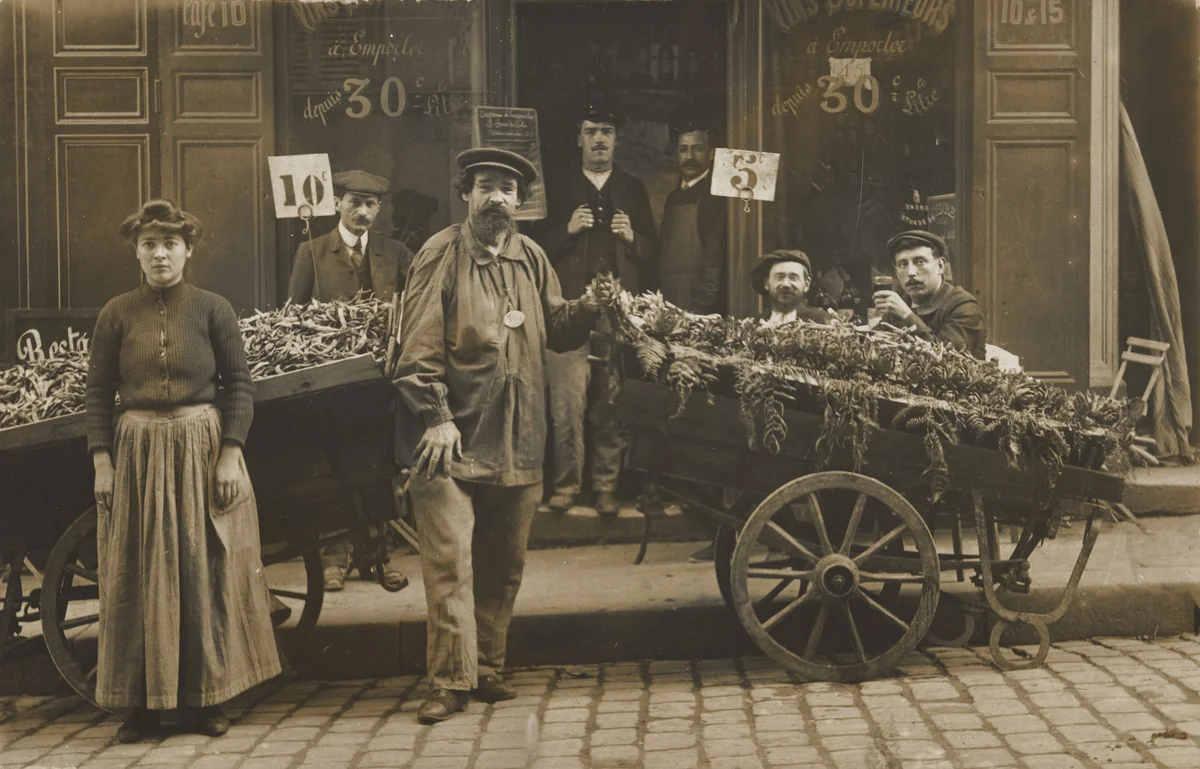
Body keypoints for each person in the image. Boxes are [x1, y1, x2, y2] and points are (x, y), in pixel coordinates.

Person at [394, 148, 614, 724]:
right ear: (467, 194)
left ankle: (487, 668)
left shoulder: (531, 256)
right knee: (451, 565)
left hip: (518, 438)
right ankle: (449, 682)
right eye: (486, 186)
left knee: (504, 563)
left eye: (507, 190)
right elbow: (417, 348)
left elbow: (557, 330)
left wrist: (588, 307)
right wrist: (436, 416)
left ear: (520, 201)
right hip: (451, 440)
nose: (497, 198)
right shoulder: (441, 253)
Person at [86, 200, 281, 742]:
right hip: (138, 455)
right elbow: (98, 393)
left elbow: (239, 385)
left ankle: (204, 702)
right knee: (139, 575)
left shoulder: (213, 309)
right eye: (149, 245)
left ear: (188, 250)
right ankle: (142, 709)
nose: (160, 255)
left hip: (200, 449)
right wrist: (102, 461)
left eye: (170, 244)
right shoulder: (116, 313)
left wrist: (230, 452)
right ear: (136, 252)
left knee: (203, 571)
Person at [286, 170, 412, 593]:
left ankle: (376, 557)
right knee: (334, 469)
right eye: (354, 202)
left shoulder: (395, 253)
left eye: (370, 204)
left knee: (378, 467)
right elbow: (293, 318)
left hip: (380, 382)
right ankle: (334, 559)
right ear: (337, 203)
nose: (362, 212)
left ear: (379, 209)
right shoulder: (312, 251)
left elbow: (414, 308)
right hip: (332, 385)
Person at [534, 103, 657, 516]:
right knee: (566, 404)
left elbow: (652, 254)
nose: (599, 139)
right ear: (579, 140)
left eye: (606, 131)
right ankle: (566, 486)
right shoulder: (556, 186)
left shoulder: (632, 188)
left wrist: (632, 237)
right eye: (591, 132)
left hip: (616, 311)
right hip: (569, 308)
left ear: (616, 140)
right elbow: (531, 249)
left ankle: (606, 487)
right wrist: (565, 231)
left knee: (612, 398)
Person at [873, 230, 987, 359]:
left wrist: (907, 316)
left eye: (920, 262)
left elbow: (947, 360)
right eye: (903, 264)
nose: (911, 272)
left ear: (940, 266)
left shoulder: (964, 307)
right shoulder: (901, 305)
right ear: (896, 272)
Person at [657, 110, 727, 315]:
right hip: (669, 304)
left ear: (711, 154)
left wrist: (699, 310)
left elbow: (714, 262)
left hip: (698, 309)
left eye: (697, 149)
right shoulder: (673, 198)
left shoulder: (716, 196)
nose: (689, 157)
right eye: (683, 150)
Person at [751, 249, 837, 327]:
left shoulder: (824, 322)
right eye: (779, 277)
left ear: (806, 284)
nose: (786, 284)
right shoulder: (754, 325)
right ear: (766, 283)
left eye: (793, 278)